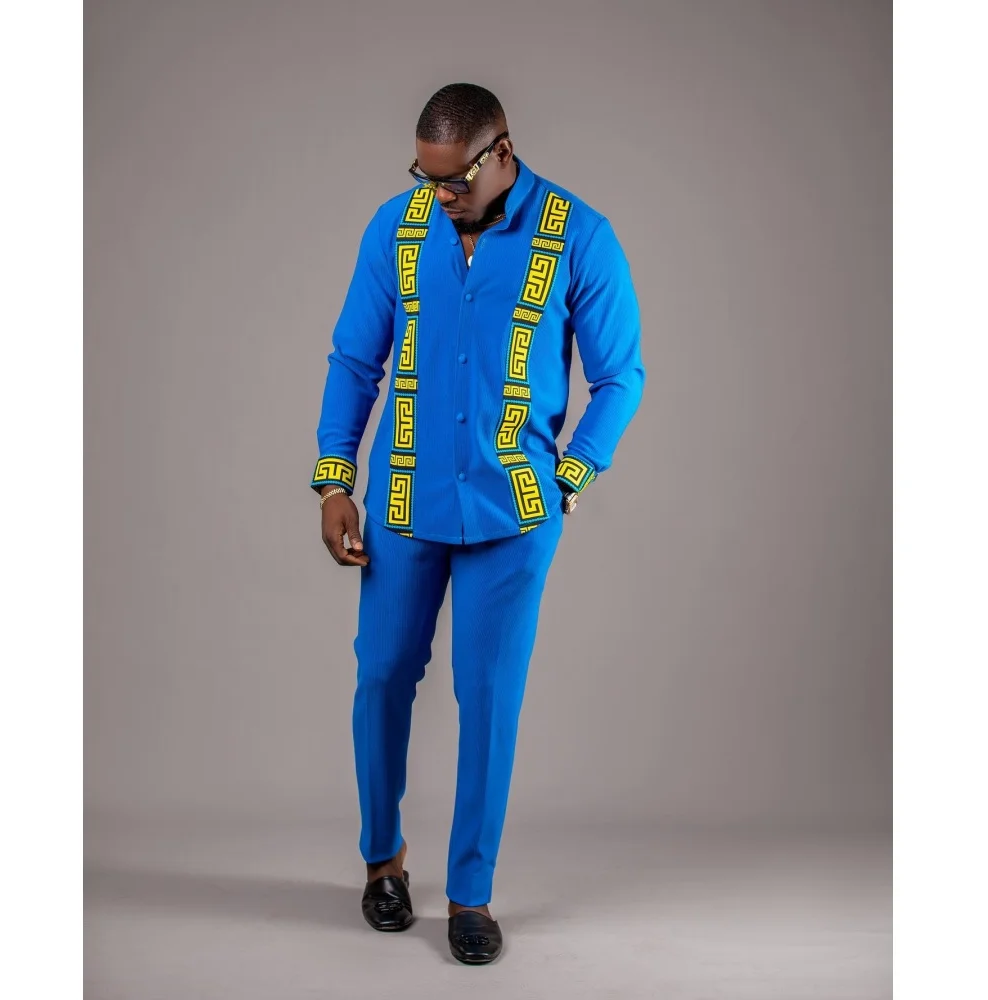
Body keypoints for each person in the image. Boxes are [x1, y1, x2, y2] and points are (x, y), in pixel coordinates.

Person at [310, 82, 645, 965]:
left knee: (488, 698)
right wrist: (335, 479)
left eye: (453, 180)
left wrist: (571, 474)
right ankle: (383, 862)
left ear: (501, 153)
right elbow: (354, 359)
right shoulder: (396, 227)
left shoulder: (579, 235)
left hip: (513, 517)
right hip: (404, 504)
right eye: (424, 178)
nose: (439, 195)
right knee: (382, 677)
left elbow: (621, 376)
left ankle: (471, 894)